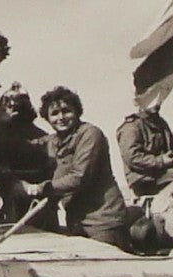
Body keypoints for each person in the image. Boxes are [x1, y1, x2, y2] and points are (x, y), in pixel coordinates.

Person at [26, 86, 133, 250]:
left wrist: (41, 188)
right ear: (47, 118)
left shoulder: (90, 133)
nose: (61, 117)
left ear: (77, 111)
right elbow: (20, 148)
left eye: (66, 111)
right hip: (77, 223)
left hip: (103, 222)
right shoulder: (52, 141)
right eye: (54, 113)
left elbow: (79, 177)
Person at [115, 105, 173, 196]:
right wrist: (161, 161)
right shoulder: (131, 127)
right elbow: (133, 158)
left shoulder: (161, 123)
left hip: (161, 173)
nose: (156, 104)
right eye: (151, 102)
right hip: (144, 178)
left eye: (158, 101)